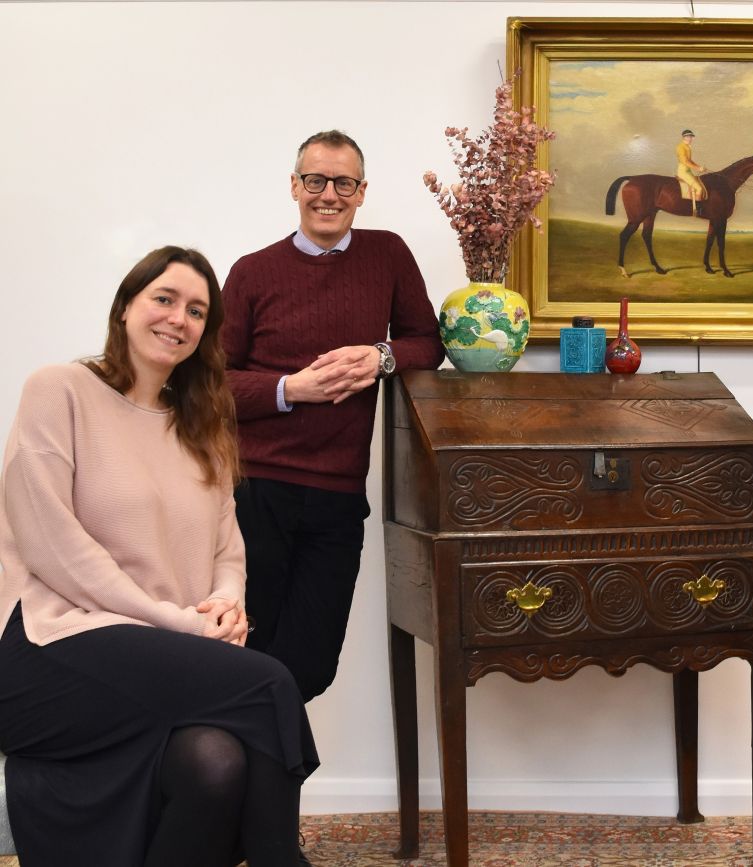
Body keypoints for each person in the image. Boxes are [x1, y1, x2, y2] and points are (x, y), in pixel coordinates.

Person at [0, 246, 319, 867]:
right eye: (164, 299)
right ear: (125, 307)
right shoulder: (60, 389)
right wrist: (181, 624)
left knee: (214, 763)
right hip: (49, 647)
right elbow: (53, 545)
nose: (179, 318)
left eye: (197, 311)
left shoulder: (202, 426)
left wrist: (226, 603)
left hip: (157, 654)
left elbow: (228, 547)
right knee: (269, 682)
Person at [221, 129, 444, 702]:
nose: (329, 194)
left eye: (344, 183)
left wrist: (380, 356)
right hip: (257, 491)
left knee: (312, 665)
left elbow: (428, 342)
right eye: (316, 180)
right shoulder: (251, 272)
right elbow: (210, 385)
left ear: (362, 192)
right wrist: (292, 388)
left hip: (338, 495)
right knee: (245, 653)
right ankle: (248, 761)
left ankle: (259, 753)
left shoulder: (387, 254)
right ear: (294, 186)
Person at [675, 129, 707, 217]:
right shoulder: (680, 147)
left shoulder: (687, 147)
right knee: (699, 189)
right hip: (683, 172)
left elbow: (690, 160)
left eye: (691, 137)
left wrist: (699, 167)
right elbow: (685, 161)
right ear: (684, 137)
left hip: (688, 171)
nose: (691, 139)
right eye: (689, 137)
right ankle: (697, 210)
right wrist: (697, 168)